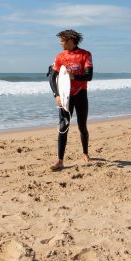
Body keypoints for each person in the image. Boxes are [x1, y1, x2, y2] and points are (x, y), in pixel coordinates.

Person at [48, 29, 93, 171]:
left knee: (82, 126)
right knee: (63, 128)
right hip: (65, 97)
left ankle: (85, 153)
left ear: (70, 40)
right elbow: (52, 77)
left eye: (62, 40)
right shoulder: (60, 57)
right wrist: (56, 95)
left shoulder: (85, 55)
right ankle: (60, 160)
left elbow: (89, 76)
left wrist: (74, 77)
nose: (60, 43)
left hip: (80, 94)